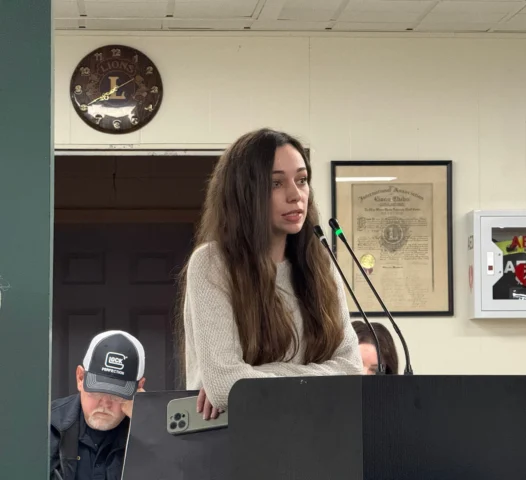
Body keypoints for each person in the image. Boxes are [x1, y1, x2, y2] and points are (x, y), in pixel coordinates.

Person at [178, 127, 363, 419]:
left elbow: (352, 369)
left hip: (317, 431)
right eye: (276, 183)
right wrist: (318, 376)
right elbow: (226, 386)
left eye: (302, 180)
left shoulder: (322, 262)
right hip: (238, 437)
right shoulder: (212, 263)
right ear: (244, 193)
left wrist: (258, 374)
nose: (296, 195)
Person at [50, 330, 146, 480]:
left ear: (139, 388)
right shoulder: (47, 427)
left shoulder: (150, 435)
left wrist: (147, 426)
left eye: (116, 395)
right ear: (80, 378)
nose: (105, 403)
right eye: (97, 392)